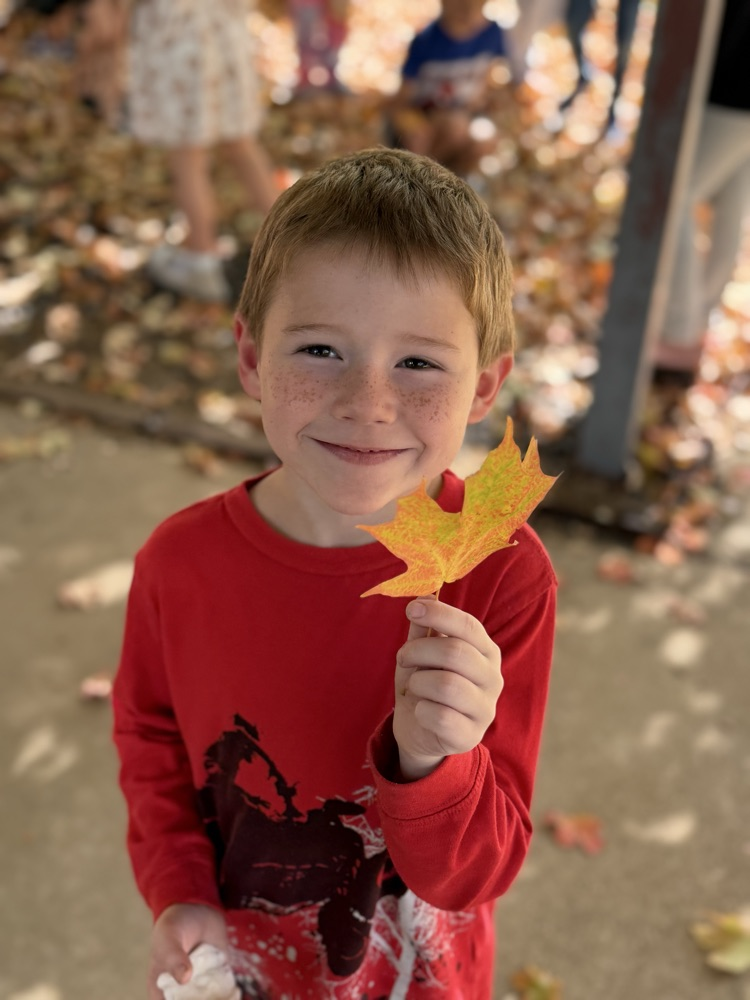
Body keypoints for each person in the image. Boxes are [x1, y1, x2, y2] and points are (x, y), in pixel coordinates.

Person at [113, 148, 557, 1000]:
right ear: (251, 358)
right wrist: (180, 891)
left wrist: (433, 760)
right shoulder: (179, 565)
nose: (366, 402)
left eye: (419, 363)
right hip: (246, 967)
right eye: (320, 349)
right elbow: (151, 739)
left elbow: (476, 874)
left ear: (484, 387)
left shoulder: (499, 575)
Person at [127, 0, 278, 303]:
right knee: (240, 143)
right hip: (225, 36)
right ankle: (292, 238)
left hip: (181, 42)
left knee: (187, 156)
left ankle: (201, 256)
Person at [656, 0, 750, 378]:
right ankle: (694, 324)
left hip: (732, 86)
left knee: (676, 194)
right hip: (733, 82)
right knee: (730, 205)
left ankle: (679, 331)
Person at [387, 0, 507, 175]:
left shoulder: (491, 34)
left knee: (484, 139)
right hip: (425, 114)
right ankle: (423, 178)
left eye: (478, 6)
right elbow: (403, 99)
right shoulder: (425, 41)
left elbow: (493, 75)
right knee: (449, 130)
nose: (468, 12)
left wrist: (490, 99)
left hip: (465, 112)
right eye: (460, 4)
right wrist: (408, 123)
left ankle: (457, 178)